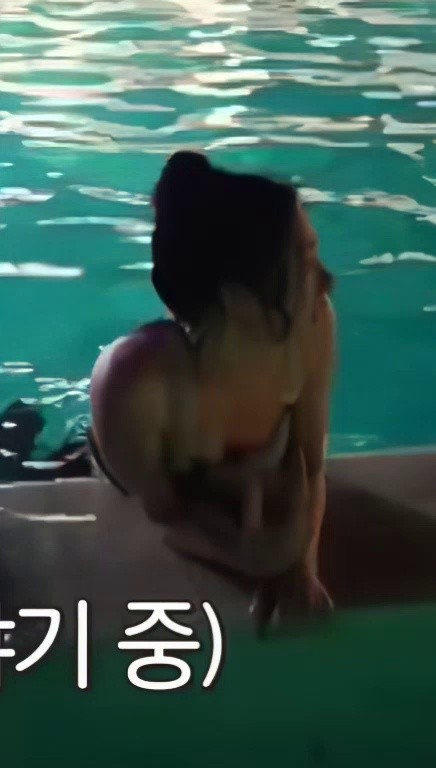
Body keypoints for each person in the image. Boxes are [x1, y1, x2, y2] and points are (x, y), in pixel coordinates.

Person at [89, 151, 336, 630]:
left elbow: (311, 464)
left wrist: (302, 567)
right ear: (237, 300)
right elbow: (160, 513)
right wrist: (260, 560)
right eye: (304, 262)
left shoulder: (312, 326)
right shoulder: (137, 382)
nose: (325, 280)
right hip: (122, 455)